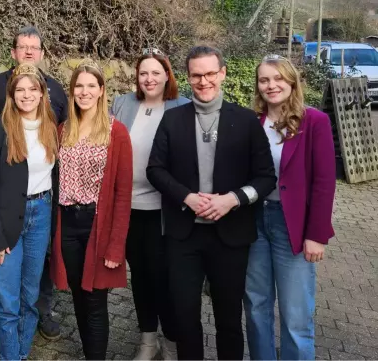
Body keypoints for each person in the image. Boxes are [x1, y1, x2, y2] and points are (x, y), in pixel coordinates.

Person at [146, 46, 276, 360]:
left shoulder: (246, 121)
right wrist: (186, 197)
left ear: (222, 73)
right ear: (188, 78)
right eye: (196, 75)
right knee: (185, 317)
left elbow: (265, 178)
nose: (203, 81)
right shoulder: (172, 119)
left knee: (229, 319)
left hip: (230, 236)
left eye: (209, 74)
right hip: (183, 235)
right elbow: (155, 169)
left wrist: (233, 199)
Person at [244, 55, 336, 360]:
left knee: (296, 316)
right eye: (264, 80)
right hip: (255, 224)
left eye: (278, 78)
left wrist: (317, 234)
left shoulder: (315, 122)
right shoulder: (252, 122)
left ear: (292, 82)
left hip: (293, 226)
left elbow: (325, 182)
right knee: (256, 308)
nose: (272, 85)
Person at [0, 26, 66, 340]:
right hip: (7, 211)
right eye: (20, 91)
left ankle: (24, 348)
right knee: (7, 301)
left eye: (33, 90)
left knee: (31, 296)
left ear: (42, 93)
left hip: (41, 211)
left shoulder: (50, 126)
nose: (27, 95)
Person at [51, 59, 133, 360]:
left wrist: (116, 247)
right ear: (72, 91)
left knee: (95, 301)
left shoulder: (116, 132)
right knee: (77, 296)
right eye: (79, 86)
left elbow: (123, 194)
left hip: (97, 224)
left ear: (101, 90)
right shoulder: (63, 130)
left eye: (90, 86)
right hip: (68, 224)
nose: (84, 92)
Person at [110, 47, 189, 360]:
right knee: (140, 277)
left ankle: (170, 341)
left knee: (165, 279)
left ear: (167, 74)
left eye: (156, 72)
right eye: (144, 73)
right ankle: (147, 340)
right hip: (128, 209)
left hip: (164, 211)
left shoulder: (182, 107)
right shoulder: (123, 103)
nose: (149, 78)